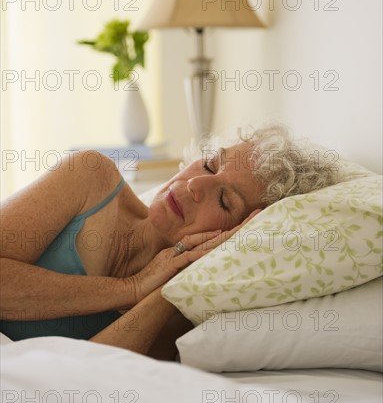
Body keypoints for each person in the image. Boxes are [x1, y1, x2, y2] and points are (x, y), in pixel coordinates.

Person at [0, 123, 341, 358]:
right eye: (209, 165)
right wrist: (130, 288)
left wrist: (169, 287)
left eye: (224, 201)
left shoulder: (183, 315)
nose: (195, 186)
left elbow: (90, 373)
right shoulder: (90, 177)